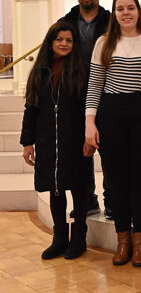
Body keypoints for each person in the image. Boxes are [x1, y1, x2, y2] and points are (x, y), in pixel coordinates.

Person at [85, 0, 141, 267]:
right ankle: (122, 240)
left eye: (130, 8)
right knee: (116, 179)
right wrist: (90, 122)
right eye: (120, 9)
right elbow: (95, 86)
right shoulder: (104, 43)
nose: (126, 13)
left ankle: (140, 241)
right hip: (111, 115)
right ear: (114, 13)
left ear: (138, 11)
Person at [21, 21, 94, 260]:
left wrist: (89, 137)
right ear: (51, 42)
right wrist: (27, 142)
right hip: (46, 140)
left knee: (79, 188)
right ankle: (59, 237)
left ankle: (79, 238)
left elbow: (89, 107)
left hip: (75, 140)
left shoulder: (82, 70)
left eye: (68, 40)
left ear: (74, 44)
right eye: (59, 39)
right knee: (55, 189)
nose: (63, 44)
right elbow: (31, 107)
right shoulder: (40, 70)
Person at [60, 0, 111, 219]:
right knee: (80, 149)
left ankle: (111, 199)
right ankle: (86, 199)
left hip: (108, 91)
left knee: (109, 148)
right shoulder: (66, 22)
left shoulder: (111, 22)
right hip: (75, 93)